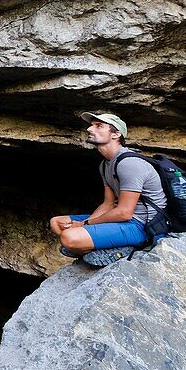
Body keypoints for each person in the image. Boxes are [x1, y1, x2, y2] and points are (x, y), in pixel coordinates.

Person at [48, 112, 167, 266]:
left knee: (69, 237)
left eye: (99, 126)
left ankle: (127, 249)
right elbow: (108, 204)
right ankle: (99, 248)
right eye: (91, 125)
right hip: (124, 221)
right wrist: (85, 222)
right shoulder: (106, 164)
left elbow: (124, 213)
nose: (90, 129)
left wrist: (85, 225)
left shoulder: (129, 164)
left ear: (116, 134)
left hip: (142, 226)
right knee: (56, 222)